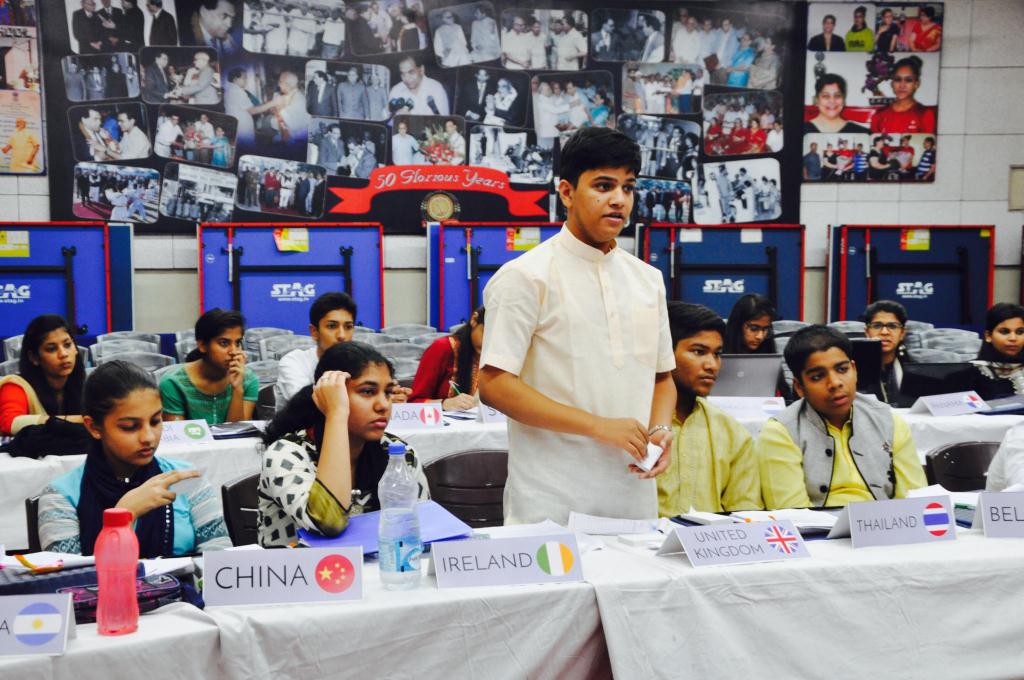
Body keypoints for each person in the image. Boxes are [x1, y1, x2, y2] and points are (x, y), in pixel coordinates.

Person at [478, 127, 676, 524]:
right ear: (566, 192)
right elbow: (494, 385)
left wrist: (659, 429)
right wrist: (597, 426)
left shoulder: (648, 279)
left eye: (628, 187)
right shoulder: (525, 276)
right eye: (603, 186)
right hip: (551, 501)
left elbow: (662, 377)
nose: (619, 199)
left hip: (633, 497)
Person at [37, 361, 231, 556]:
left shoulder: (187, 481)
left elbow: (221, 562)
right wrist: (124, 515)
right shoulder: (60, 497)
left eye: (155, 421)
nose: (148, 437)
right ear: (94, 427)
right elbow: (67, 574)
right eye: (130, 427)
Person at [259, 342, 429, 547]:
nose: (383, 405)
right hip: (297, 567)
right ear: (328, 397)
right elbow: (328, 522)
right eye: (368, 392)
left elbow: (423, 532)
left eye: (388, 392)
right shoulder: (285, 454)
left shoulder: (399, 454)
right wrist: (336, 414)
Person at [757, 325, 926, 509]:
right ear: (799, 387)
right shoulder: (781, 432)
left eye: (842, 369)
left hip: (886, 523)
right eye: (817, 376)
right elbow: (792, 514)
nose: (835, 383)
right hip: (818, 527)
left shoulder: (888, 421)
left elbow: (915, 500)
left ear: (854, 370)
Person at [658, 302, 762, 516]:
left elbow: (747, 513)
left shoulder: (732, 432)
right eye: (699, 352)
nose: (712, 365)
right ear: (664, 354)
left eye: (717, 354)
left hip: (716, 537)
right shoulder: (632, 427)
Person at [159, 308, 258, 424]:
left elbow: (237, 430)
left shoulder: (247, 379)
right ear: (202, 345)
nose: (234, 351)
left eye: (237, 343)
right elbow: (178, 434)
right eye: (224, 343)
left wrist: (237, 388)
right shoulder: (173, 383)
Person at [0, 315, 85, 436]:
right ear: (34, 358)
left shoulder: (86, 386)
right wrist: (78, 420)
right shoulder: (15, 386)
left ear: (75, 349)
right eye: (51, 349)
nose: (63, 354)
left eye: (67, 345)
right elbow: (9, 423)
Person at [409, 306, 482, 408]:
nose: (490, 342)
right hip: (439, 417)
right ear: (474, 319)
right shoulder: (442, 348)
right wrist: (445, 403)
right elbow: (413, 402)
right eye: (488, 333)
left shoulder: (494, 355)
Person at [971, 303, 1024, 398]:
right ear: (988, 336)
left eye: (1020, 332)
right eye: (1004, 332)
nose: (1013, 338)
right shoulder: (967, 376)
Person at [871, 56, 936, 134]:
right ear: (892, 83)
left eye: (909, 80)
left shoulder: (925, 115)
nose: (902, 85)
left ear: (916, 84)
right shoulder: (879, 115)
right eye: (897, 79)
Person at [863, 300, 910, 405]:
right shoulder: (854, 368)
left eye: (892, 326)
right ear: (867, 332)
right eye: (877, 326)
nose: (884, 332)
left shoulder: (913, 368)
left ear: (902, 333)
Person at [804, 74, 869, 134]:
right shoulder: (803, 130)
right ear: (816, 100)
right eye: (826, 96)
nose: (832, 101)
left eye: (837, 96)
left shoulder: (862, 133)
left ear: (843, 99)